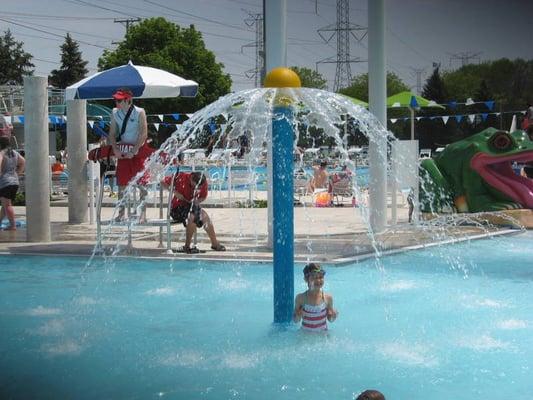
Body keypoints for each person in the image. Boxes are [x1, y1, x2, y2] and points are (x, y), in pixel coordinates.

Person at [108, 87, 150, 221]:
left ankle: (142, 214)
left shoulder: (139, 112)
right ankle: (121, 213)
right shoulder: (115, 112)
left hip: (138, 151)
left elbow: (144, 134)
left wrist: (134, 150)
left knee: (142, 183)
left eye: (119, 100)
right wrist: (115, 149)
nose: (116, 102)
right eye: (115, 99)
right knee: (122, 184)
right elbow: (112, 134)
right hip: (123, 151)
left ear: (128, 100)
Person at [163, 171, 226, 254]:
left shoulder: (202, 182)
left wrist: (197, 201)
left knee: (204, 216)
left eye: (198, 187)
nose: (196, 188)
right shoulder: (181, 177)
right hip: (176, 208)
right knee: (192, 216)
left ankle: (214, 243)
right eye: (194, 185)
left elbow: (203, 197)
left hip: (191, 206)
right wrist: (175, 192)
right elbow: (162, 182)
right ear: (191, 178)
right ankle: (187, 246)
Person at [293, 263, 337, 331]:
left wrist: (333, 316)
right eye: (314, 278)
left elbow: (330, 319)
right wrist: (298, 316)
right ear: (306, 279)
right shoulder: (301, 298)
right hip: (305, 335)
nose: (318, 280)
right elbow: (296, 321)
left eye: (320, 277)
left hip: (322, 335)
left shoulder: (327, 298)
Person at [0, 136, 25, 230]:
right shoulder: (14, 153)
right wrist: (17, 173)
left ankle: (12, 225)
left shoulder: (1, 153)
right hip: (14, 182)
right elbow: (23, 162)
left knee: (7, 205)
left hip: (5, 182)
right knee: (5, 205)